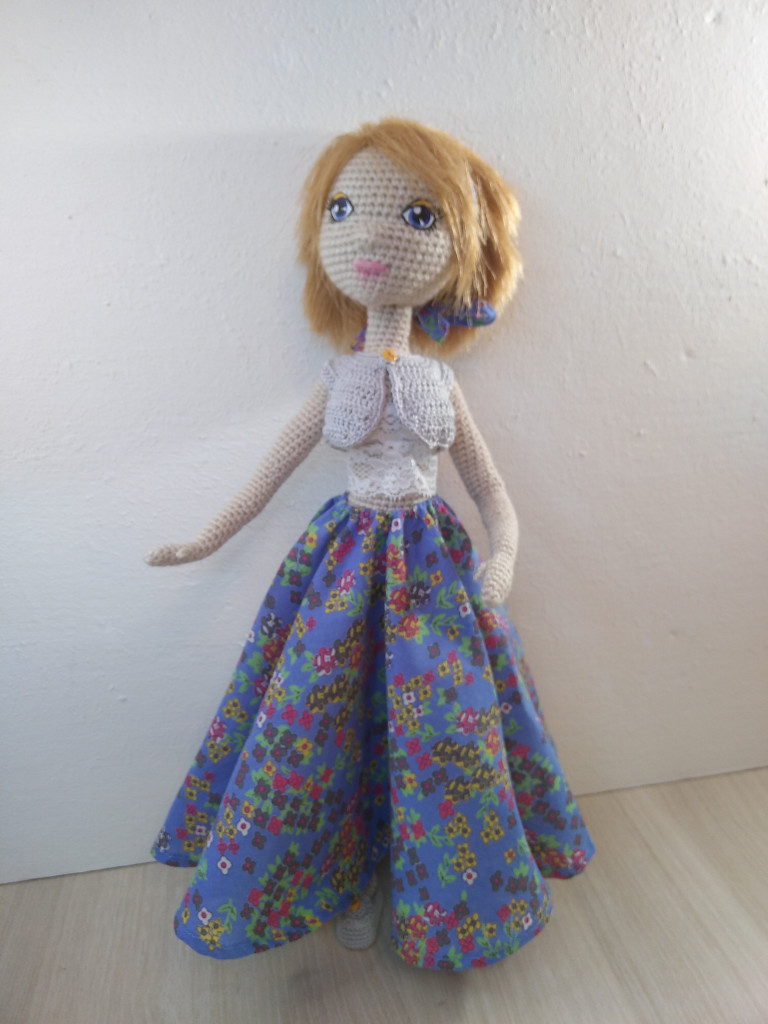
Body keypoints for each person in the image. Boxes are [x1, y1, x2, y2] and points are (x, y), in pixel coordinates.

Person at [148, 118, 594, 971]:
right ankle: (345, 875)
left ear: (462, 249)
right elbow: (267, 479)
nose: (374, 236)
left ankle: (430, 887)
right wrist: (205, 539)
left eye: (419, 217)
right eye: (344, 210)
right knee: (321, 723)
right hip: (343, 571)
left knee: (445, 730)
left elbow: (491, 490)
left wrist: (501, 557)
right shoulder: (337, 382)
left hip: (433, 574)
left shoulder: (440, 384)